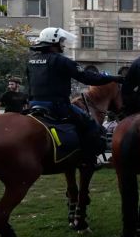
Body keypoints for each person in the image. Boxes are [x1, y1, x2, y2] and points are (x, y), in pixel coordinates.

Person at [25, 27, 122, 166]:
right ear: (54, 42)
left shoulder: (31, 60)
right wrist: (113, 78)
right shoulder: (61, 61)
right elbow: (88, 78)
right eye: (62, 41)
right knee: (91, 125)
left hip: (33, 105)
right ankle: (88, 160)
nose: (63, 45)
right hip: (58, 106)